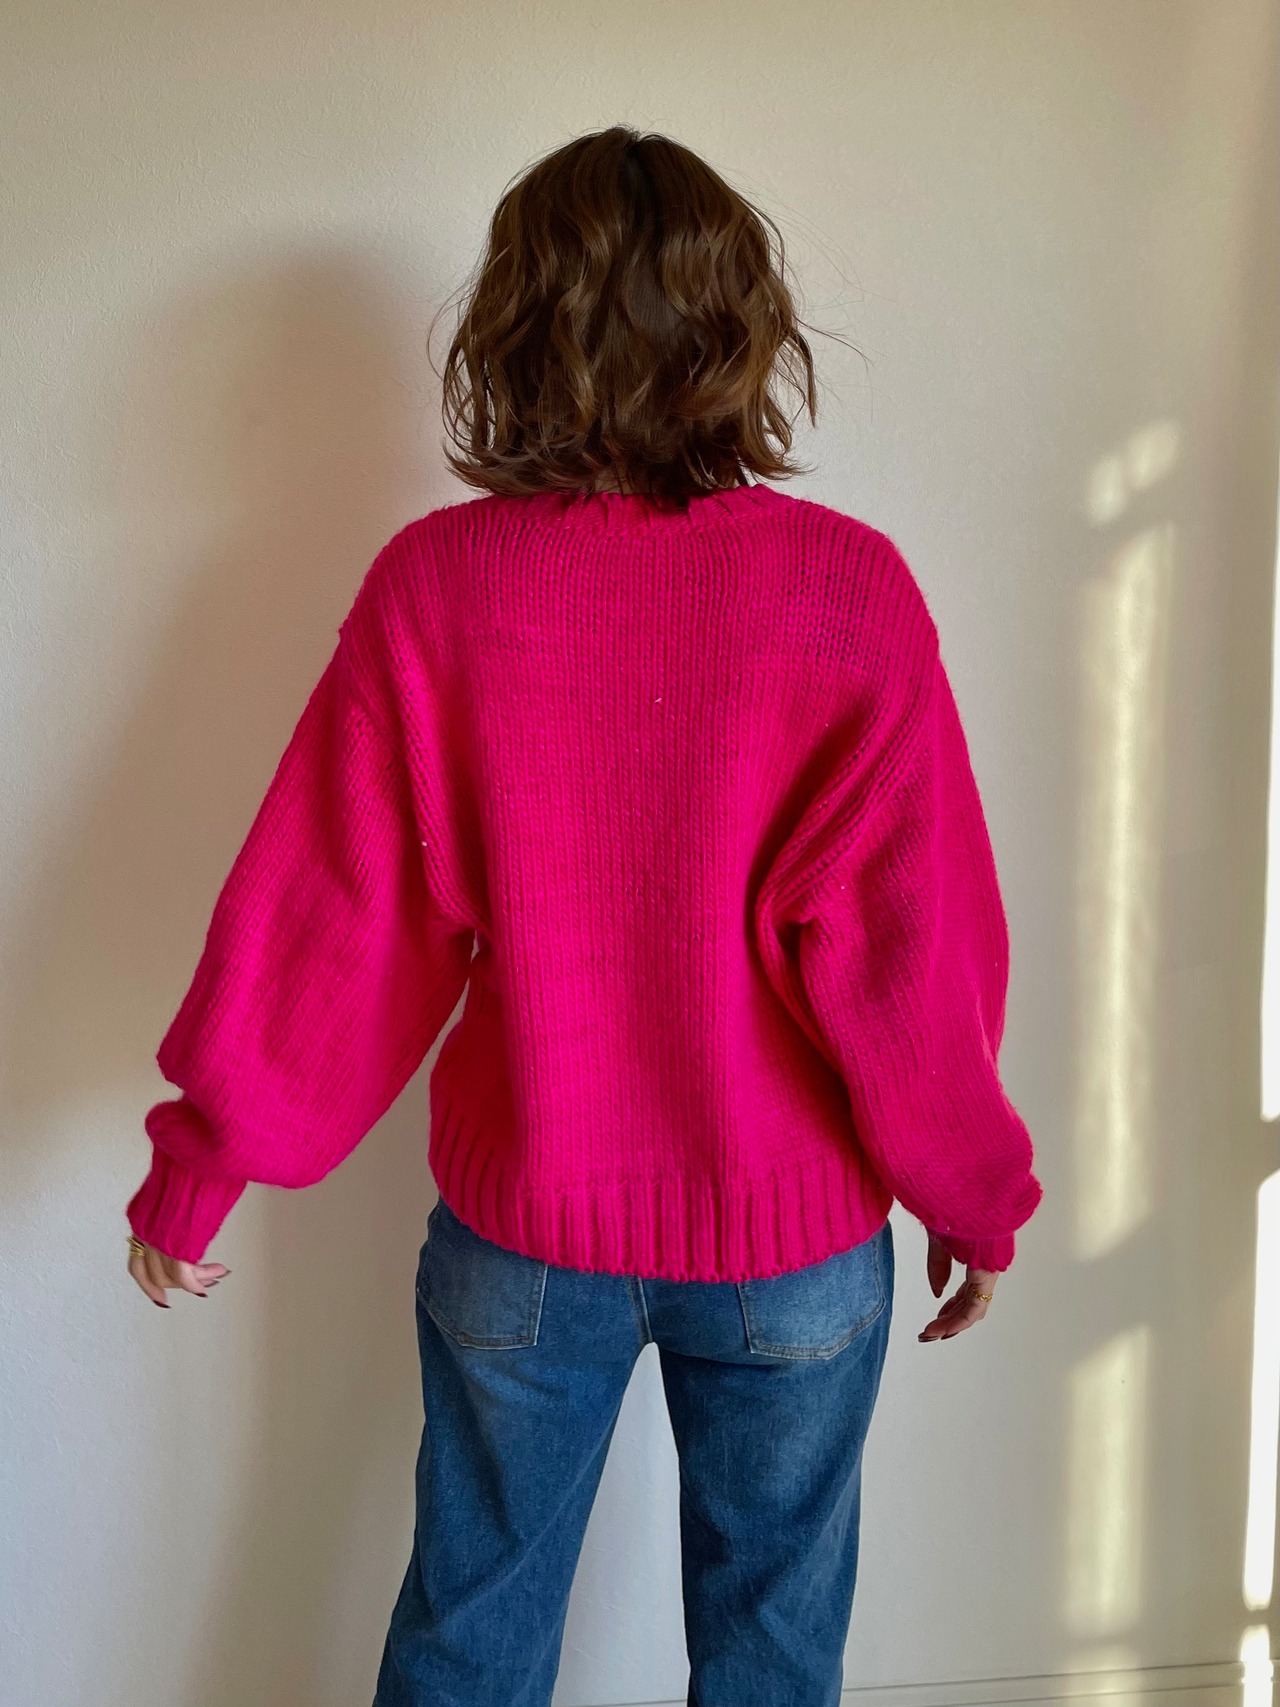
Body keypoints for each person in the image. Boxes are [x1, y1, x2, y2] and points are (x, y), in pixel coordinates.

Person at [124, 125, 1043, 1707]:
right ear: (742, 330)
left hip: (528, 1237)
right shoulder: (847, 594)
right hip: (795, 1250)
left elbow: (346, 910)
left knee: (471, 1637)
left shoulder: (439, 587)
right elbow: (912, 948)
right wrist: (972, 1189)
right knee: (773, 1653)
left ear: (514, 332)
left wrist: (208, 1156)